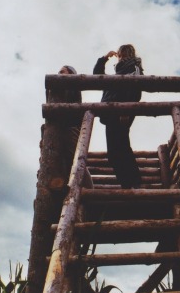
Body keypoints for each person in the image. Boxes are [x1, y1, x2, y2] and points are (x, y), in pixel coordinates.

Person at [93, 44, 144, 189]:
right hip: (112, 113)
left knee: (118, 150)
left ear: (124, 54)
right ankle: (130, 183)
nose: (118, 57)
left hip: (120, 113)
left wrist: (125, 110)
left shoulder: (134, 68)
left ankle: (132, 183)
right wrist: (104, 59)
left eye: (120, 54)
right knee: (118, 149)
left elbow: (134, 90)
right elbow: (97, 76)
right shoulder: (120, 72)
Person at [57, 65, 93, 189]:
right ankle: (76, 186)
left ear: (71, 73)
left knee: (75, 160)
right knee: (68, 160)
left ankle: (89, 188)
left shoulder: (71, 86)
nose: (59, 73)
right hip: (65, 128)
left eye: (62, 71)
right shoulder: (66, 88)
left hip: (71, 127)